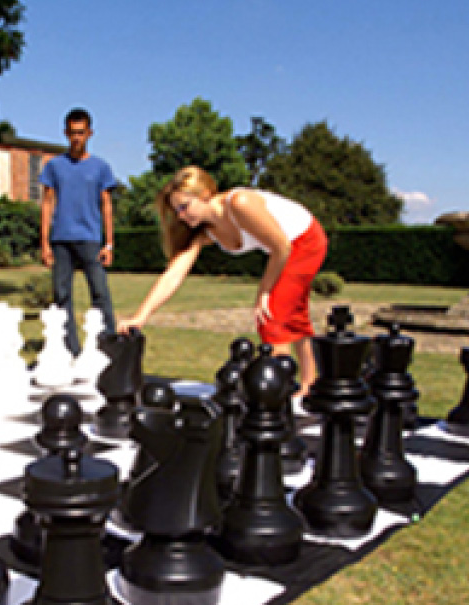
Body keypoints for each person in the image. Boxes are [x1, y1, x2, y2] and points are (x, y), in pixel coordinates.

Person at [118, 166, 328, 399]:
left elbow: (281, 247)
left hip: (305, 239)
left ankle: (278, 392)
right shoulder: (205, 231)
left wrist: (264, 291)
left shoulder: (240, 204)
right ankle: (309, 385)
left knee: (272, 316)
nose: (181, 216)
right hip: (286, 247)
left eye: (184, 207)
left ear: (206, 193)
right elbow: (174, 273)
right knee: (291, 313)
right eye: (177, 210)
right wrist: (141, 316)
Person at [40, 108, 118, 356]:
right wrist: (44, 243)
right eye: (72, 133)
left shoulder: (100, 167)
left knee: (100, 294)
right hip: (61, 240)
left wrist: (109, 244)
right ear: (65, 133)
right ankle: (68, 351)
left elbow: (106, 205)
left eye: (81, 133)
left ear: (90, 133)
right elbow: (47, 204)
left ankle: (109, 349)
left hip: (90, 240)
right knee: (62, 297)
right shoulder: (54, 166)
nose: (76, 138)